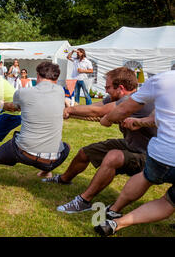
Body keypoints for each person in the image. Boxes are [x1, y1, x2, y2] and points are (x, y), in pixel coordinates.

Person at [43, 67, 156, 214]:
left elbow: (99, 112)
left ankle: (84, 201)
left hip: (150, 155)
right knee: (85, 152)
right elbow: (94, 106)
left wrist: (70, 110)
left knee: (113, 157)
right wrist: (69, 108)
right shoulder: (118, 98)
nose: (105, 90)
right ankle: (64, 179)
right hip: (132, 145)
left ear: (120, 88)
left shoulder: (134, 100)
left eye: (108, 87)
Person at [94, 69, 175, 236]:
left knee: (146, 178)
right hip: (165, 152)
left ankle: (115, 219)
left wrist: (108, 119)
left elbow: (125, 109)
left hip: (163, 154)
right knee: (169, 202)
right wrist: (139, 122)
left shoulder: (162, 80)